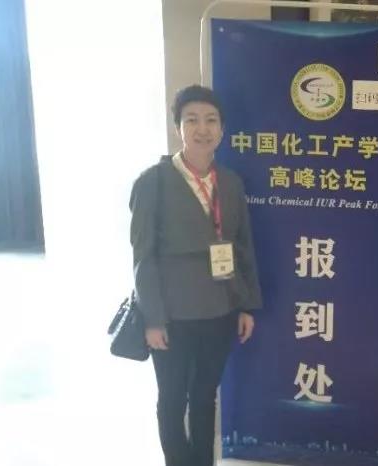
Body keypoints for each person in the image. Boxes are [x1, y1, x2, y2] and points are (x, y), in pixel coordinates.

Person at [130, 85, 262, 466]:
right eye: (192, 120)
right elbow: (142, 258)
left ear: (222, 129)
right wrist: (153, 319)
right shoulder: (153, 182)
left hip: (220, 311)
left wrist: (246, 305)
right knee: (172, 399)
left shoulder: (231, 183)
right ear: (178, 128)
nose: (202, 129)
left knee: (205, 396)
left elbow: (243, 247)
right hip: (172, 315)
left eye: (211, 120)